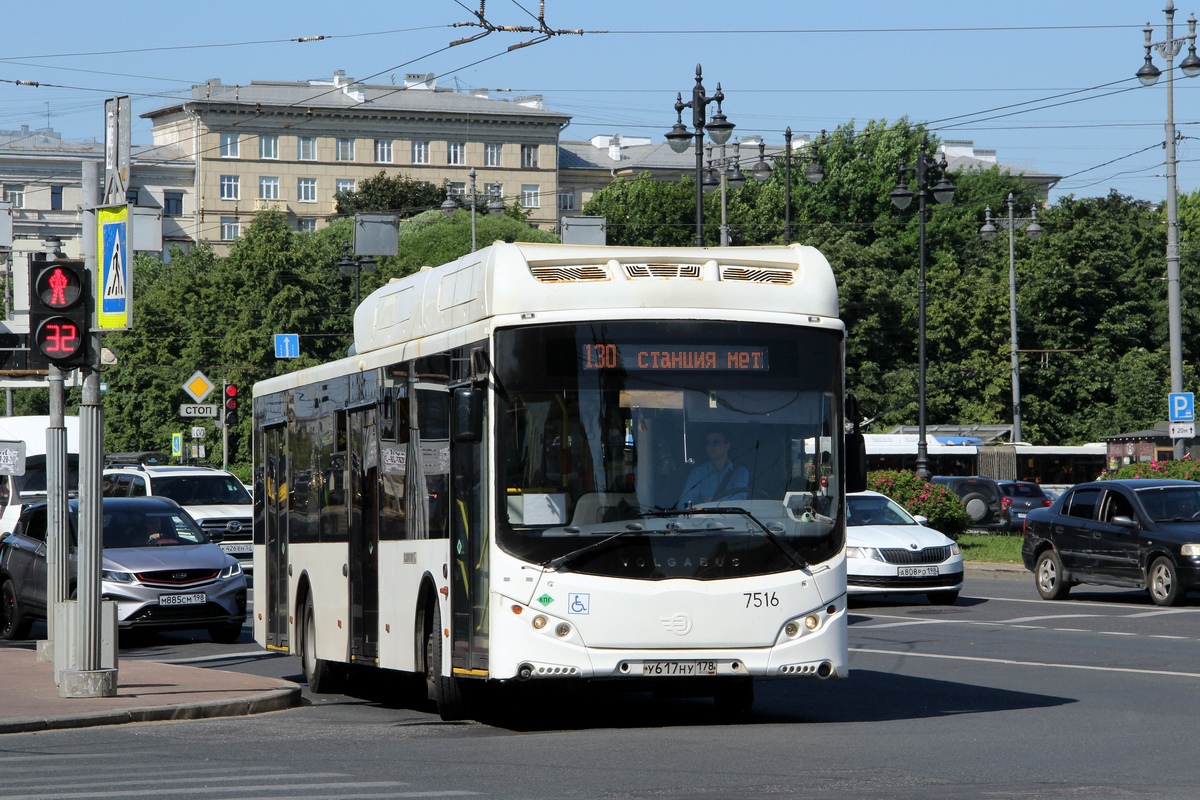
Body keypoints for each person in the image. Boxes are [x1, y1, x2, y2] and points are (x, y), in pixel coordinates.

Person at [677, 429, 750, 507]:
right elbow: (683, 505)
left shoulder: (741, 472)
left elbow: (740, 498)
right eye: (708, 443)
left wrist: (718, 503)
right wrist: (702, 507)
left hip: (733, 518)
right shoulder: (698, 472)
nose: (711, 447)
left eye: (716, 443)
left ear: (727, 445)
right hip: (702, 518)